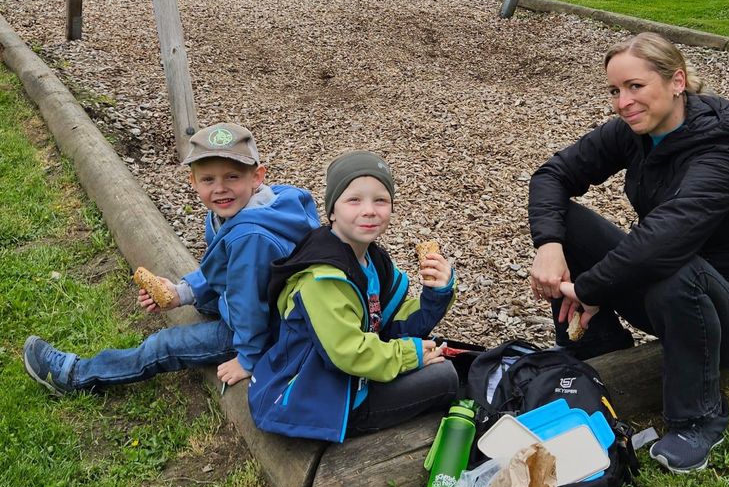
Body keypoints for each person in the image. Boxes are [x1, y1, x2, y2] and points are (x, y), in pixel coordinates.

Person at [528, 32, 729, 474]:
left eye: (635, 87)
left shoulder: (722, 154)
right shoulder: (634, 133)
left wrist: (588, 287)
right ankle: (600, 345)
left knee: (671, 262)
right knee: (565, 220)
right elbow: (552, 174)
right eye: (614, 90)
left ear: (676, 81)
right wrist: (549, 244)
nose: (623, 102)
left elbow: (665, 239)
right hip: (667, 297)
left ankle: (698, 418)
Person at [23, 123, 320, 395]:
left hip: (265, 330)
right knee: (202, 295)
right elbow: (225, 269)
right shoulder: (246, 206)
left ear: (256, 176)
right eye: (208, 179)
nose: (220, 188)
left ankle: (77, 375)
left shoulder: (249, 236)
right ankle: (195, 301)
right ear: (193, 181)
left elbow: (249, 306)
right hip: (256, 300)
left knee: (163, 344)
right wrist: (181, 293)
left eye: (232, 176)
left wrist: (249, 358)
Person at [249, 151, 459, 442]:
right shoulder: (322, 277)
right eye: (354, 200)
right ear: (332, 210)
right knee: (445, 378)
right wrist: (411, 355)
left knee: (444, 358)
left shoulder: (372, 261)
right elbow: (348, 352)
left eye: (380, 200)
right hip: (313, 399)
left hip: (345, 379)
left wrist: (438, 293)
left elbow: (390, 325)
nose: (369, 210)